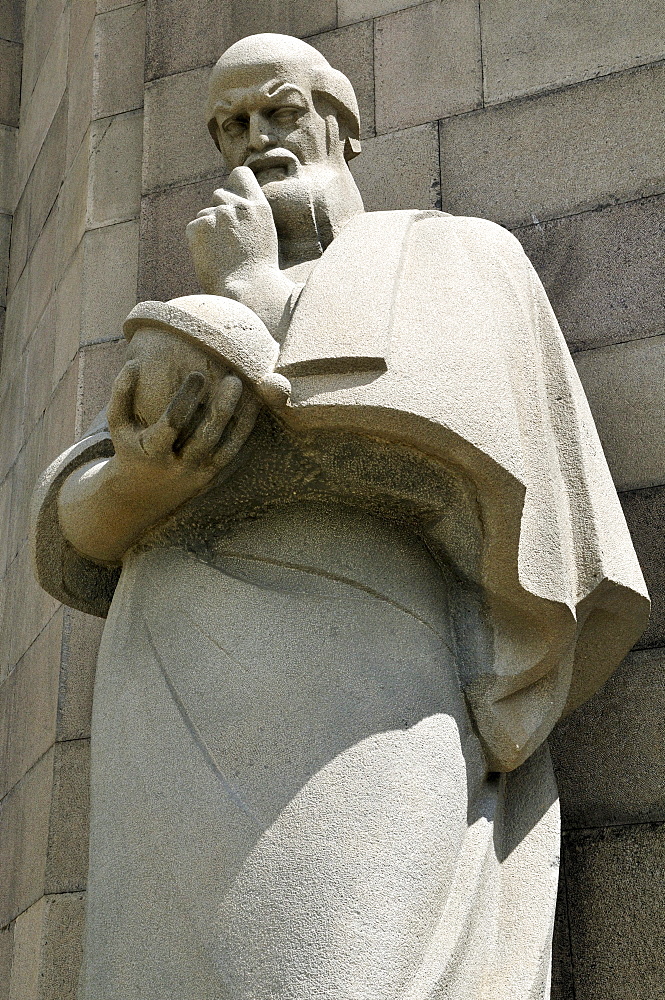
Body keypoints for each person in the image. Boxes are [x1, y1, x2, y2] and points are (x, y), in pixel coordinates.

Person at [31, 33, 648, 1000]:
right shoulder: (182, 320)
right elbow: (76, 522)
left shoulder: (450, 249)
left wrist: (253, 300)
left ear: (343, 125)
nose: (254, 141)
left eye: (279, 111)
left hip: (358, 687)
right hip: (163, 699)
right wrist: (136, 488)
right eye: (230, 126)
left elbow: (463, 443)